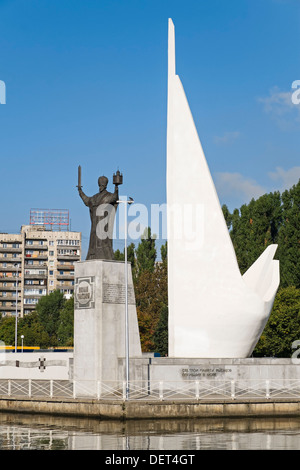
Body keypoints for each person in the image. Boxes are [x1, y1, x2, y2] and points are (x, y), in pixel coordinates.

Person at [78, 175, 119, 260]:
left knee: (104, 241)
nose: (101, 187)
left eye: (102, 185)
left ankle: (107, 257)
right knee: (93, 241)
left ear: (105, 186)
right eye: (100, 185)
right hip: (95, 224)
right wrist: (80, 191)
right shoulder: (94, 197)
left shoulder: (108, 196)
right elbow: (86, 200)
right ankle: (92, 256)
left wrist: (116, 187)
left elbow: (115, 197)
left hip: (104, 224)